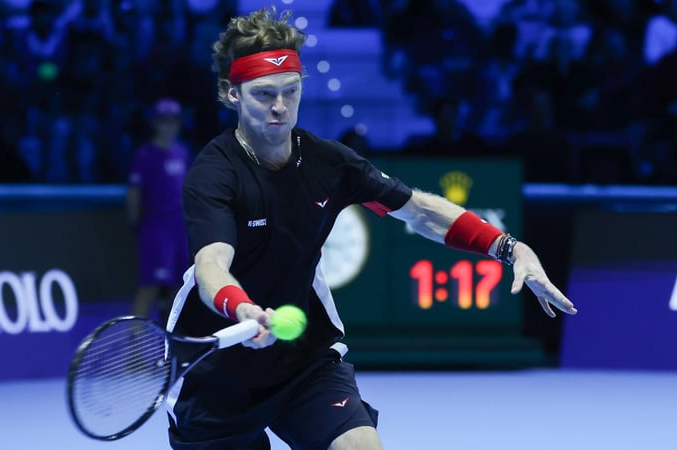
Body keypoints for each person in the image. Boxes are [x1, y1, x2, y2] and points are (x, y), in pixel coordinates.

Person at [167, 6, 577, 450]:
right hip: (214, 372)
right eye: (265, 94)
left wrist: (511, 248)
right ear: (232, 94)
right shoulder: (214, 174)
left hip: (302, 361)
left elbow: (420, 211)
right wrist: (242, 308)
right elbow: (211, 266)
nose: (280, 107)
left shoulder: (330, 164)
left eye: (291, 91)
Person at [126, 97, 191, 321]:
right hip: (157, 227)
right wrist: (139, 224)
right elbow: (134, 194)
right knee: (150, 286)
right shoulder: (145, 156)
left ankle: (172, 339)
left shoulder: (182, 153)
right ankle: (135, 340)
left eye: (173, 120)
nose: (169, 126)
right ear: (155, 123)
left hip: (180, 228)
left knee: (180, 286)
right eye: (164, 121)